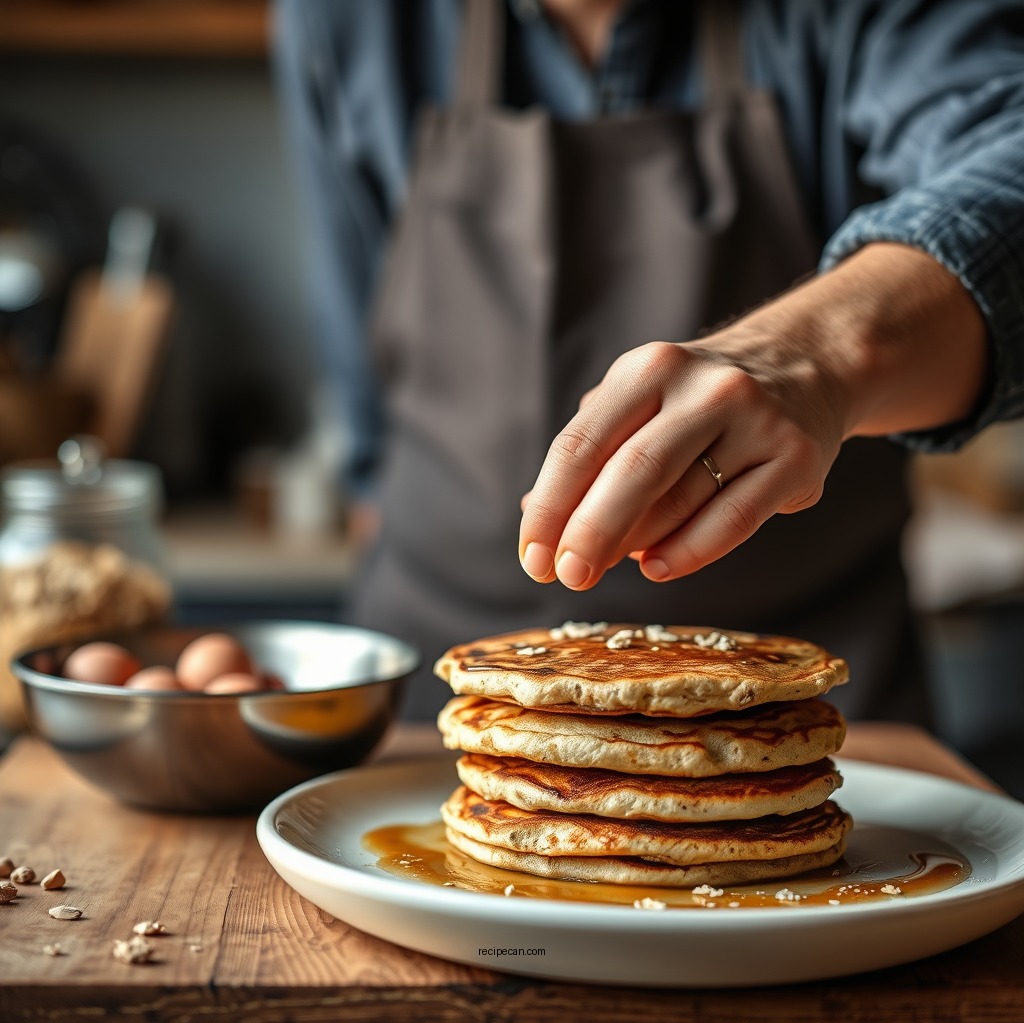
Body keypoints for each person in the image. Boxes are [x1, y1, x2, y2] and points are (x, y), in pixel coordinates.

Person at [272, 0, 1024, 720]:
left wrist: (820, 354)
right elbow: (367, 410)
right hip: (428, 705)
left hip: (809, 715)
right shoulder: (342, 16)